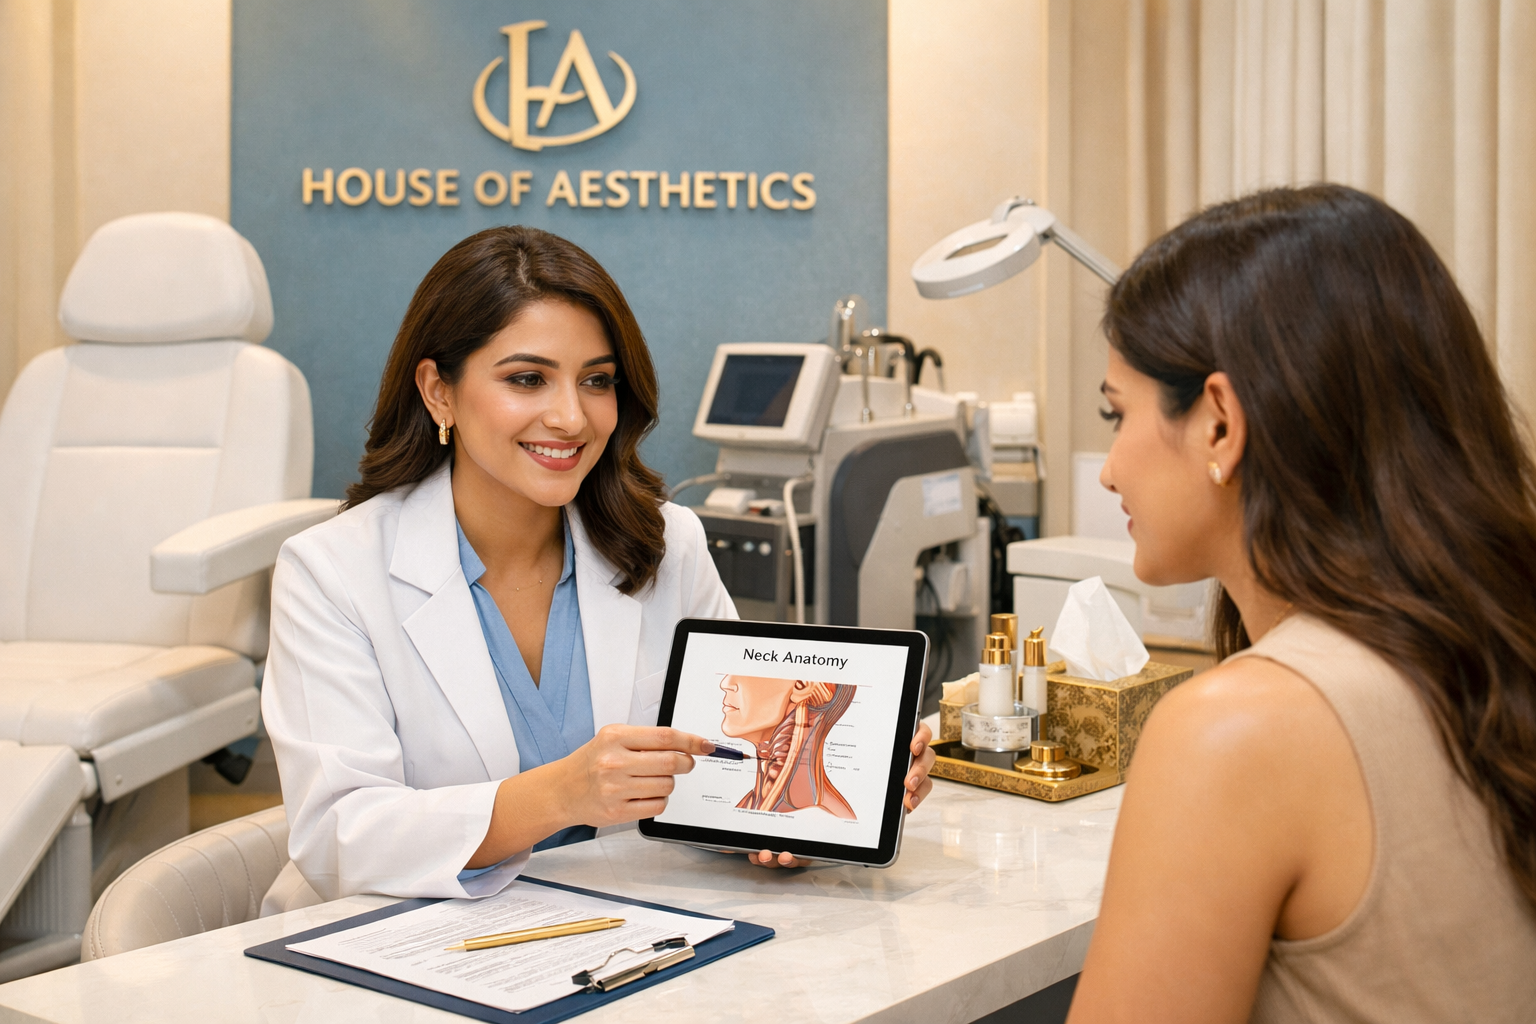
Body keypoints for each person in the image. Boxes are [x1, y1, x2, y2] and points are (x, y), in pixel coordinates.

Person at [261, 226, 937, 903]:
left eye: (597, 381)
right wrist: (558, 796)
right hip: (397, 949)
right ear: (439, 392)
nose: (570, 417)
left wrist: (794, 810)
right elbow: (339, 835)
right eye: (527, 379)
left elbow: (717, 773)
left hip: (618, 936)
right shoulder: (331, 572)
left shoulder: (668, 544)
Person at [1068, 186, 1536, 1022]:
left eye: (1117, 414)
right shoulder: (1485, 652)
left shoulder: (1239, 732)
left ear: (1219, 424)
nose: (1109, 471)